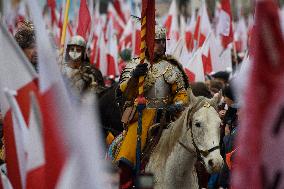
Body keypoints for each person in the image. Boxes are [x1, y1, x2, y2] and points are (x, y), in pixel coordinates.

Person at [114, 25, 189, 187]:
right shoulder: (135, 64)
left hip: (167, 117)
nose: (161, 45)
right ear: (147, 42)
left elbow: (183, 95)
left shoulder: (172, 67)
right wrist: (135, 78)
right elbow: (124, 93)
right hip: (140, 117)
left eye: (163, 41)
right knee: (127, 155)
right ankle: (124, 181)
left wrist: (175, 107)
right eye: (156, 41)